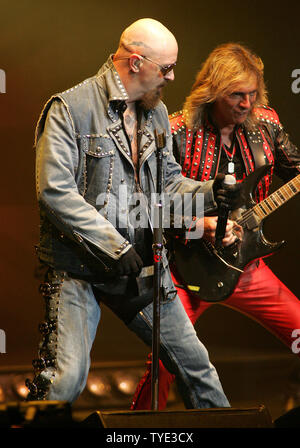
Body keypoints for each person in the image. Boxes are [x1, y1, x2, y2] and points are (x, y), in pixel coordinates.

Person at [25, 19, 236, 409]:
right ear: (136, 62)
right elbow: (54, 193)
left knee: (199, 370)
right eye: (166, 68)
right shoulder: (70, 109)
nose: (172, 77)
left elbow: (168, 187)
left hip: (143, 267)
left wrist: (210, 193)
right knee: (65, 383)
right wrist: (114, 245)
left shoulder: (155, 114)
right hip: (78, 270)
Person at [131, 42, 300, 410]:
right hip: (183, 269)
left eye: (253, 94)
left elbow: (295, 168)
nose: (247, 104)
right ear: (212, 93)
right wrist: (198, 225)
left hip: (246, 267)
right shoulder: (175, 132)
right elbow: (144, 207)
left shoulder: (266, 124)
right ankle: (136, 430)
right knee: (164, 362)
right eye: (237, 95)